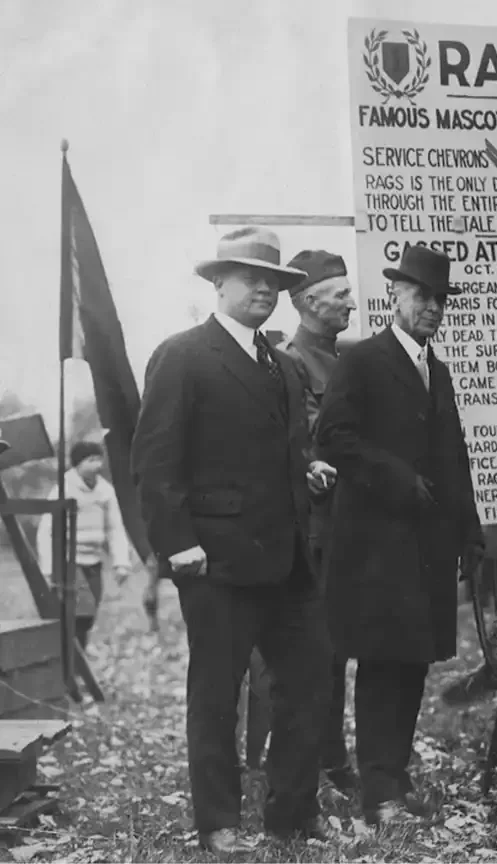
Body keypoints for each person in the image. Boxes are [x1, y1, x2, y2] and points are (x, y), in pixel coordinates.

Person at [131, 226, 337, 852]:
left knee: (309, 685)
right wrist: (177, 543)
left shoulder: (276, 362)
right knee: (217, 695)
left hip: (286, 561)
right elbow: (154, 460)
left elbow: (273, 446)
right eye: (251, 278)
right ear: (219, 283)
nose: (263, 290)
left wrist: (305, 468)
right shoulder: (183, 354)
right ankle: (218, 821)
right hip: (215, 562)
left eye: (273, 281)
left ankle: (293, 812)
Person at [315, 245, 484, 824]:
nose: (432, 308)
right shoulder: (362, 360)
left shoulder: (436, 370)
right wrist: (396, 477)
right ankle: (378, 792)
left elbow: (455, 457)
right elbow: (333, 437)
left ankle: (395, 776)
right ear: (396, 295)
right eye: (421, 297)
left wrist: (471, 531)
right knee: (384, 660)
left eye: (440, 300)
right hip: (376, 548)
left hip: (429, 549)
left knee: (411, 662)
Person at [276, 249, 359, 792]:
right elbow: (309, 441)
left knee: (340, 652)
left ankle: (332, 756)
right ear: (308, 301)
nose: (352, 301)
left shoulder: (348, 358)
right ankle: (311, 764)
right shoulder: (289, 362)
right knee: (312, 655)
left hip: (353, 528)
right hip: (317, 532)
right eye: (340, 294)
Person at [36, 440, 133, 649]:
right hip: (69, 560)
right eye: (91, 460)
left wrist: (121, 562)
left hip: (94, 560)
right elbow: (46, 528)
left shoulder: (105, 491)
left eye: (99, 459)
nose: (97, 465)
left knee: (89, 614)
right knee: (80, 611)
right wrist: (48, 566)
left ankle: (77, 657)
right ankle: (73, 659)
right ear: (78, 463)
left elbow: (115, 527)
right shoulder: (63, 488)